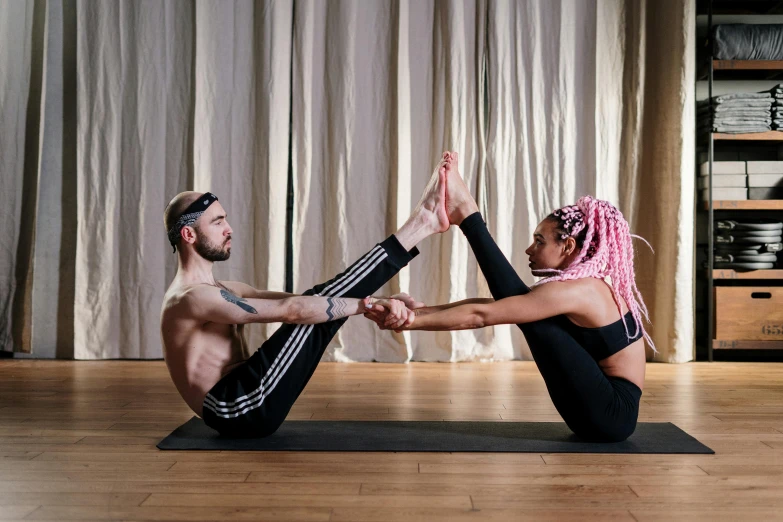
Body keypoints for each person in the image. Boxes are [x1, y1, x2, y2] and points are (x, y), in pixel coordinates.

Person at [366, 152, 654, 442]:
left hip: (610, 415)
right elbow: (494, 307)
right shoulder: (581, 289)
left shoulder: (582, 290)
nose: (530, 250)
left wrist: (409, 323)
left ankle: (467, 214)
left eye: (539, 241)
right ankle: (466, 214)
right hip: (601, 413)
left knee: (527, 316)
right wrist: (421, 313)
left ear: (567, 246)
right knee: (522, 310)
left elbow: (482, 317)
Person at [159, 158, 447, 437]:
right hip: (236, 407)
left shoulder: (222, 288)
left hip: (244, 397)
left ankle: (423, 223)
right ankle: (422, 223)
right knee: (313, 308)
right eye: (218, 222)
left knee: (319, 305)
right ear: (189, 234)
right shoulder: (190, 298)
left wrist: (380, 299)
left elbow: (310, 302)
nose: (229, 228)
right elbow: (294, 310)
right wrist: (367, 305)